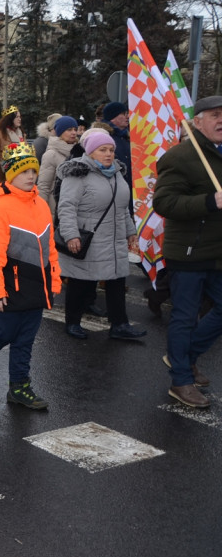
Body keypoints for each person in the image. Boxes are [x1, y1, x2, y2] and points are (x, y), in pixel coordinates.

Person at [0, 143, 60, 410]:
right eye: (23, 171)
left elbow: (49, 247)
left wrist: (54, 280)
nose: (30, 176)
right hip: (6, 286)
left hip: (36, 287)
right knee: (1, 334)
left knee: (25, 340)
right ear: (9, 175)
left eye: (33, 171)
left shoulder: (41, 204)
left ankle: (19, 387)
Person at [152, 95, 222, 409]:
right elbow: (164, 204)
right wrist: (209, 201)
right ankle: (181, 380)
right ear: (197, 121)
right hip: (189, 252)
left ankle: (186, 356)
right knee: (184, 316)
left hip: (217, 251)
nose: (221, 121)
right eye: (214, 115)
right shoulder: (179, 157)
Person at [56, 131, 146, 341]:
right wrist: (71, 235)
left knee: (116, 279)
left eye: (111, 150)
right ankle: (72, 322)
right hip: (89, 237)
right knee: (81, 281)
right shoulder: (78, 173)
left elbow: (122, 208)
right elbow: (67, 207)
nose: (108, 154)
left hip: (114, 238)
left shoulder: (116, 173)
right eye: (102, 150)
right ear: (90, 151)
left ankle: (119, 324)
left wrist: (130, 232)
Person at [37, 115, 79, 213]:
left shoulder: (80, 151)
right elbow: (44, 186)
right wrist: (42, 211)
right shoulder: (51, 154)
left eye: (75, 129)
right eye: (69, 130)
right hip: (56, 207)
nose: (73, 133)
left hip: (76, 206)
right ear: (60, 132)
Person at [0, 105, 25, 182]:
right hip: (2, 175)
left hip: (19, 173)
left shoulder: (21, 133)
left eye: (20, 117)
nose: (19, 119)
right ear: (10, 119)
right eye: (17, 117)